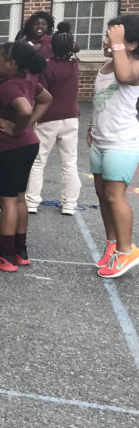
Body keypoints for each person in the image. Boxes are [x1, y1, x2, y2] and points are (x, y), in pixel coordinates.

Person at [0, 42, 51, 273]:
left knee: (7, 201)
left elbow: (25, 110)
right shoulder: (27, 79)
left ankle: (5, 256)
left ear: (12, 64)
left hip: (10, 148)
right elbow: (46, 99)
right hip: (26, 146)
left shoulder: (8, 86)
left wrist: (18, 128)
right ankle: (20, 251)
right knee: (19, 198)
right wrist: (27, 127)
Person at [90, 15, 139, 278]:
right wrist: (91, 127)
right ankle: (112, 244)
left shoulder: (134, 65)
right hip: (101, 140)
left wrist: (118, 45)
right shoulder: (107, 65)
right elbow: (102, 102)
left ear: (130, 43)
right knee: (101, 193)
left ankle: (126, 249)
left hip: (122, 142)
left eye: (111, 36)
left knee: (114, 195)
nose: (105, 40)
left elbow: (124, 77)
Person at [25, 22, 81, 216]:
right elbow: (73, 50)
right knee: (69, 162)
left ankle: (32, 202)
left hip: (48, 118)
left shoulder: (48, 68)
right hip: (71, 118)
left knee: (38, 161)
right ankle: (69, 204)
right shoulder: (74, 64)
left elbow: (39, 93)